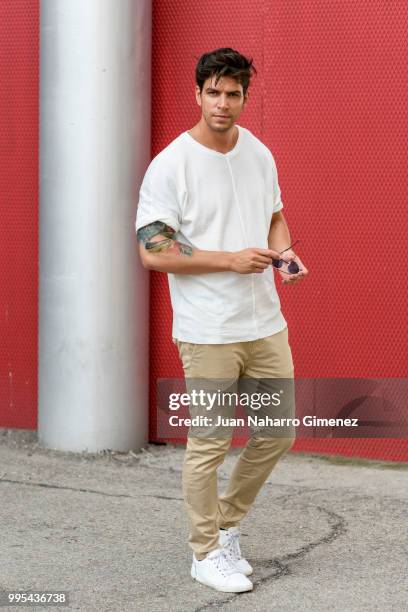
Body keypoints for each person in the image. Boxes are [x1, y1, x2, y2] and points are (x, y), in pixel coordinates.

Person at [135, 47, 309, 593]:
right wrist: (229, 259)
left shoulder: (259, 152)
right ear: (197, 94)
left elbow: (275, 215)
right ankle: (205, 551)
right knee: (209, 443)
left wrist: (284, 255)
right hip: (208, 330)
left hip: (265, 324)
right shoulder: (172, 164)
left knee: (277, 433)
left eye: (233, 94)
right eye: (214, 92)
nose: (223, 103)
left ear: (244, 98)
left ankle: (226, 526)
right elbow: (152, 251)